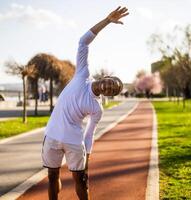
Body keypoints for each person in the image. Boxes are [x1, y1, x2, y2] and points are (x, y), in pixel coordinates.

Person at [42, 6, 129, 200]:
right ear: (106, 77)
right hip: (52, 136)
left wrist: (87, 159)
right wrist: (107, 21)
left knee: (81, 180)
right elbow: (83, 41)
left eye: (112, 90)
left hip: (74, 142)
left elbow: (89, 135)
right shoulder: (82, 74)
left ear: (110, 95)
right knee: (52, 175)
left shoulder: (96, 109)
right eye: (111, 82)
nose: (109, 87)